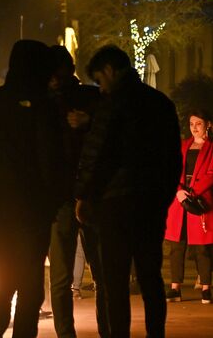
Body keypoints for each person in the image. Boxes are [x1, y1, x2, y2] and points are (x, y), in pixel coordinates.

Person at [75, 45, 182, 338]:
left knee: (115, 281)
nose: (101, 87)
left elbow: (97, 154)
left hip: (114, 203)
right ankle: (154, 334)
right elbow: (173, 157)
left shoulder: (111, 105)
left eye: (100, 80)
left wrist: (83, 195)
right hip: (151, 202)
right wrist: (164, 196)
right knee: (150, 277)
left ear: (109, 70)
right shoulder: (160, 103)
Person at [0, 40, 64, 338]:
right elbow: (53, 156)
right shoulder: (45, 105)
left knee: (6, 272)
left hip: (1, 204)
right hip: (36, 206)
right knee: (31, 278)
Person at [46, 45, 108, 338]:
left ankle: (69, 334)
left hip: (74, 195)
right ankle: (104, 330)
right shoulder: (92, 98)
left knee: (65, 276)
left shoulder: (86, 100)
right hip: (81, 194)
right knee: (93, 273)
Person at [165, 110, 213, 304]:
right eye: (192, 123)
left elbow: (211, 174)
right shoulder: (183, 146)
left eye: (198, 123)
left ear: (207, 125)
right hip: (179, 201)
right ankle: (175, 288)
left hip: (199, 201)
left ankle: (206, 289)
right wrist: (178, 191)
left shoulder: (211, 148)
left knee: (202, 248)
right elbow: (172, 169)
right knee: (177, 246)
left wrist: (191, 192)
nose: (194, 127)